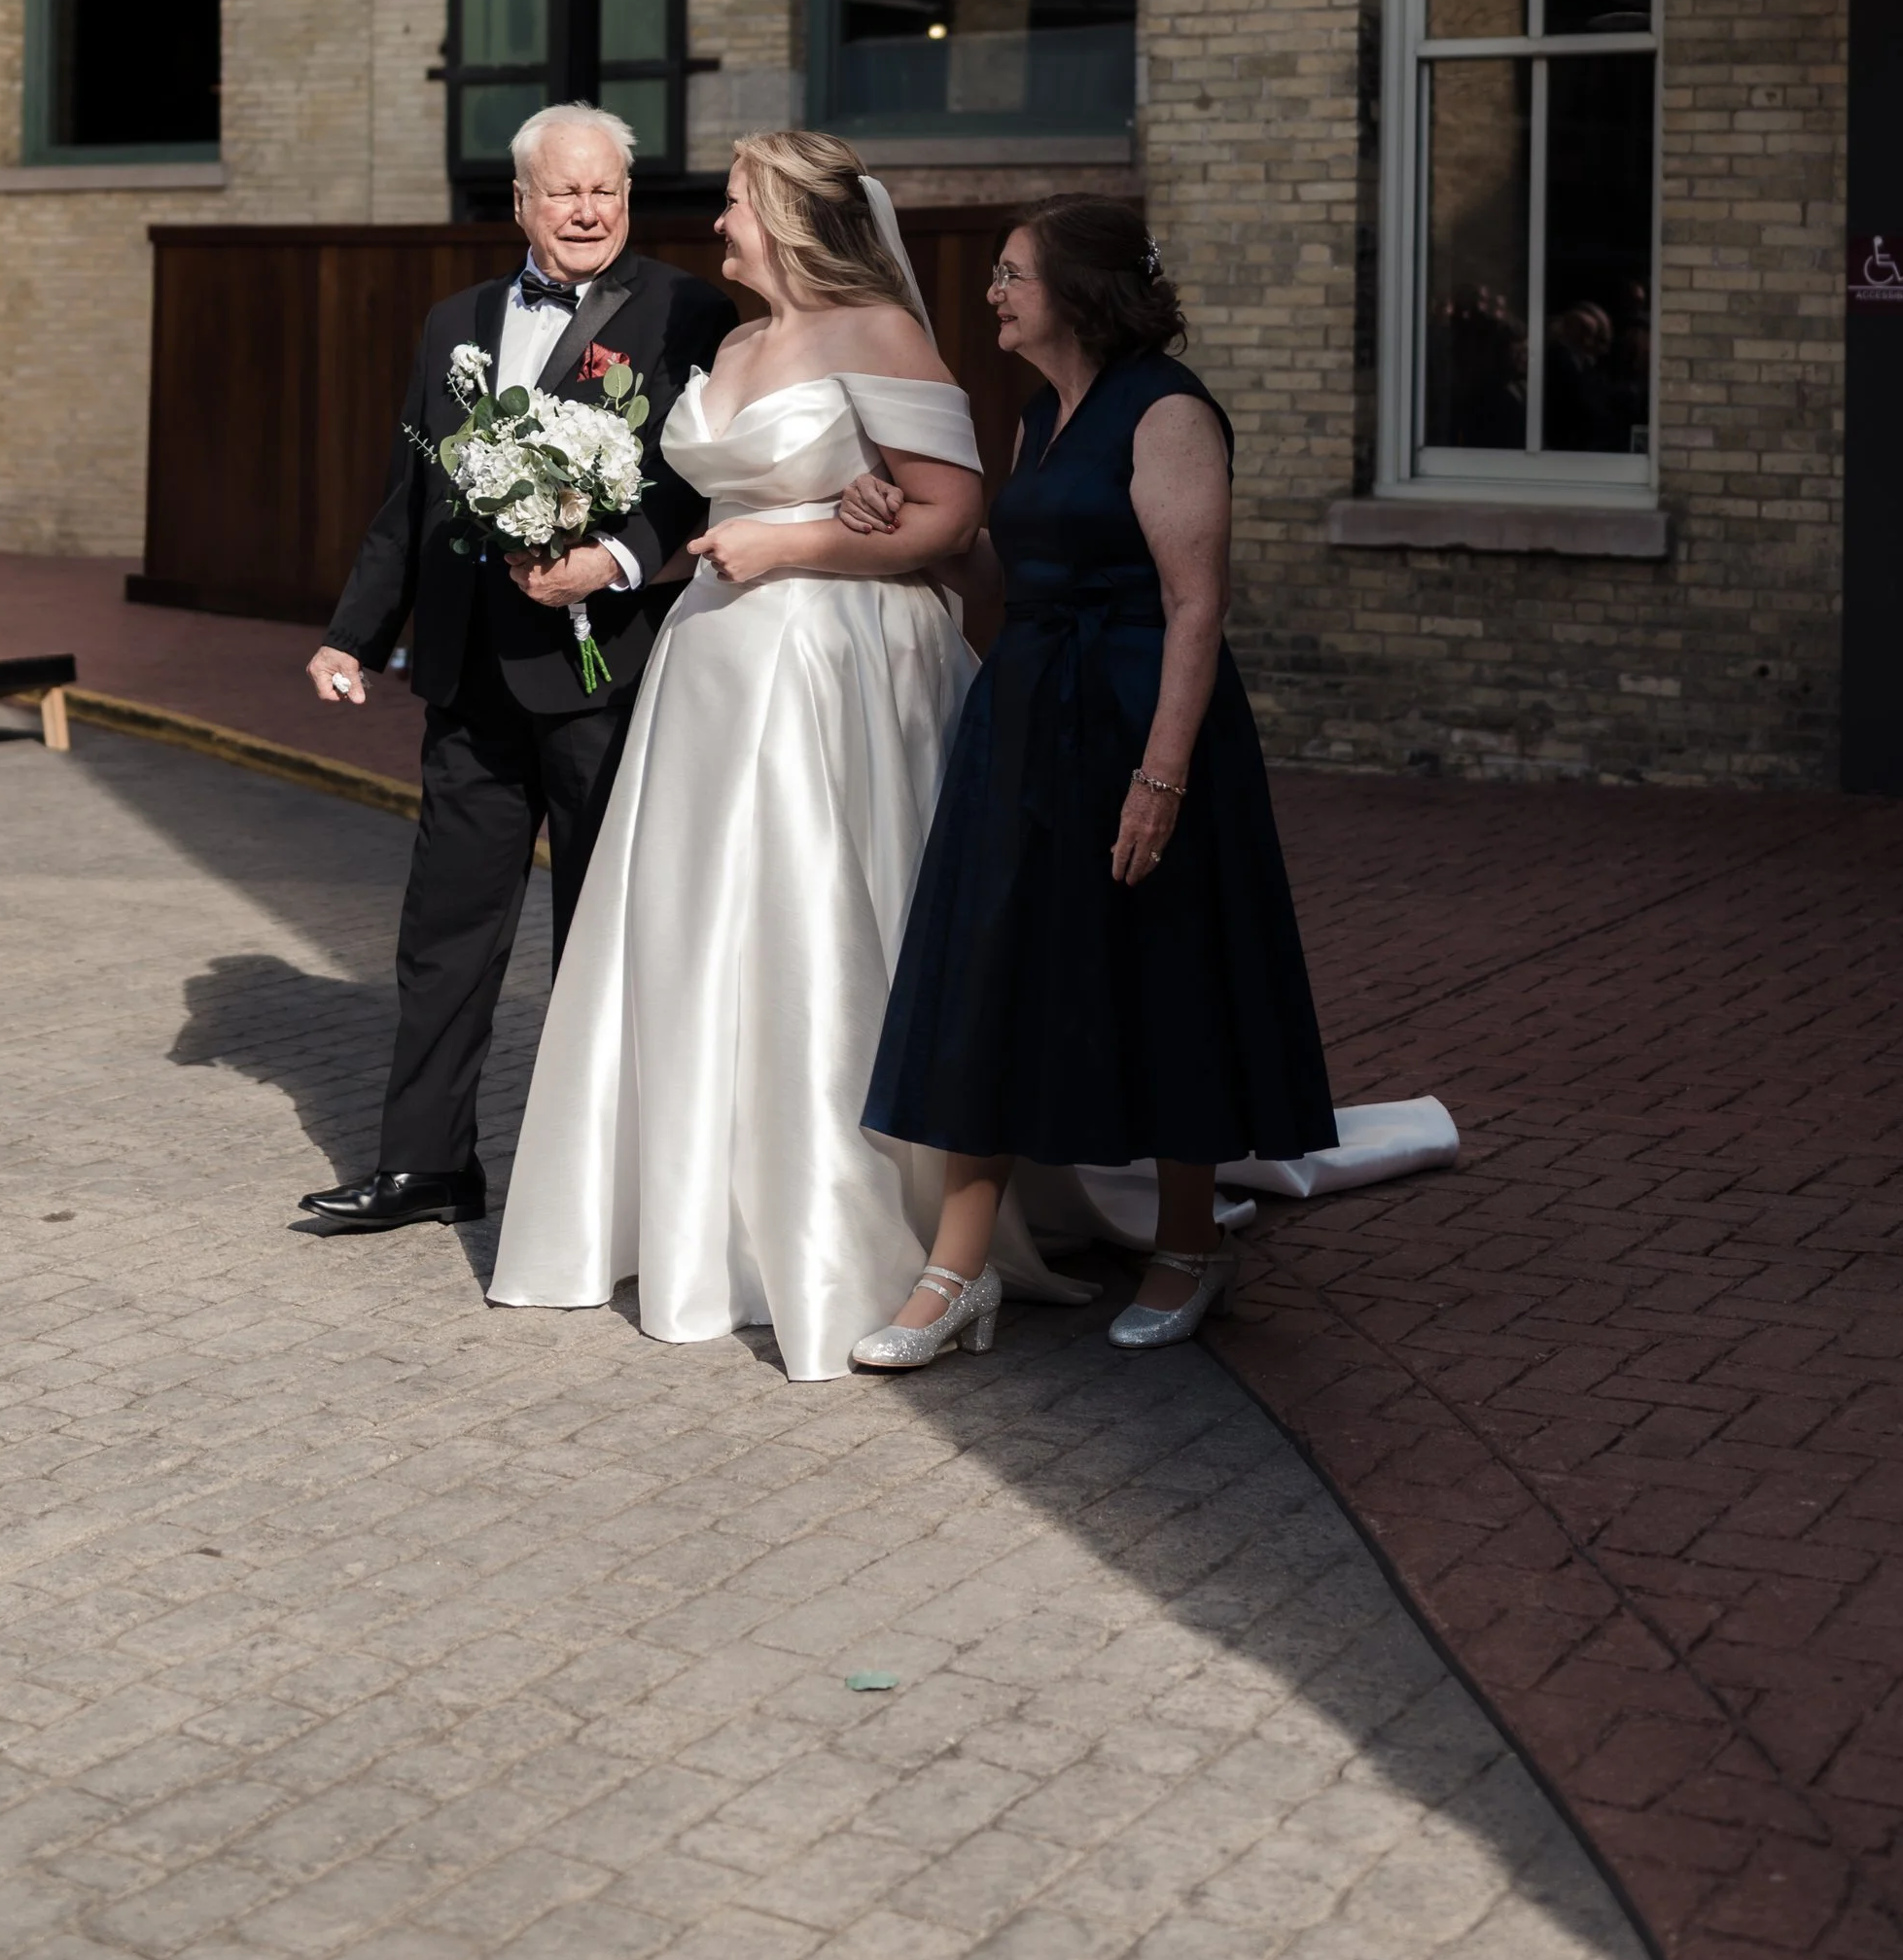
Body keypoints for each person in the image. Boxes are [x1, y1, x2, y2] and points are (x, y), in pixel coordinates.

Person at [488, 130, 1082, 1381]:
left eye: (739, 202)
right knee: (702, 929)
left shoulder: (875, 330)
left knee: (816, 923)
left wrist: (801, 546)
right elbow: (717, 512)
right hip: (710, 669)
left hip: (832, 661)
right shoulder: (739, 344)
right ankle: (696, 1214)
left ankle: (843, 1226)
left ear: (795, 215)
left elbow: (952, 514)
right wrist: (607, 555)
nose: (720, 224)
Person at [848, 197, 1337, 1367]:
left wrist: (1160, 775)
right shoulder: (1037, 414)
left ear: (1077, 290)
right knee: (995, 965)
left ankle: (1188, 1245)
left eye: (1012, 274)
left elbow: (1195, 603)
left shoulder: (1166, 409)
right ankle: (954, 1273)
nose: (993, 292)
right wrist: (901, 519)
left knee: (1165, 963)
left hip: (1138, 717)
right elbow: (1003, 575)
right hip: (1025, 715)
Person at [296, 105, 736, 1236]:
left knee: (606, 927)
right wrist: (353, 629)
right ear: (521, 203)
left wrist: (613, 561)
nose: (588, 210)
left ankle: (615, 1184)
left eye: (608, 192)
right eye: (565, 192)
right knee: (444, 927)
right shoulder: (459, 318)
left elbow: (700, 486)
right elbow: (415, 495)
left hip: (606, 673)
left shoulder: (691, 309)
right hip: (467, 674)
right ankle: (426, 1163)